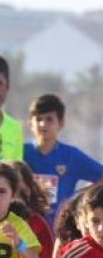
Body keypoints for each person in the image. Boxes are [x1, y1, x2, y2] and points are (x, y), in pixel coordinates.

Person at [24, 94, 103, 226]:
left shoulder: (71, 156)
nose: (43, 124)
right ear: (30, 124)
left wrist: (82, 197)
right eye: (38, 119)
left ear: (61, 123)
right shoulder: (22, 153)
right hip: (26, 227)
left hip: (60, 229)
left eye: (49, 119)